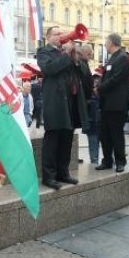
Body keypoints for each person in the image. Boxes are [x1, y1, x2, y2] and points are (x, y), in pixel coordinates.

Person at [36, 26, 88, 190]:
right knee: (53, 139)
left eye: (61, 34)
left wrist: (75, 58)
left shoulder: (66, 54)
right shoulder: (44, 52)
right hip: (56, 102)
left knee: (67, 138)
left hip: (70, 101)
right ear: (48, 37)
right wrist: (65, 54)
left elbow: (82, 74)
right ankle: (48, 176)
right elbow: (50, 69)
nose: (61, 36)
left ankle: (62, 173)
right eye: (57, 34)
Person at [96, 33, 129, 173]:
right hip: (106, 104)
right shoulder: (112, 59)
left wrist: (99, 88)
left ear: (111, 43)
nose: (105, 45)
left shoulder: (123, 58)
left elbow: (116, 79)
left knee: (116, 134)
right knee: (104, 134)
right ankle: (107, 161)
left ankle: (120, 162)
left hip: (117, 104)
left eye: (106, 42)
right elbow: (107, 78)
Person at [83, 75, 102, 165]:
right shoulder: (87, 96)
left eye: (97, 85)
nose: (95, 88)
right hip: (92, 126)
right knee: (93, 149)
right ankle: (94, 165)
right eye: (94, 85)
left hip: (102, 125)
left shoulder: (103, 96)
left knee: (108, 148)